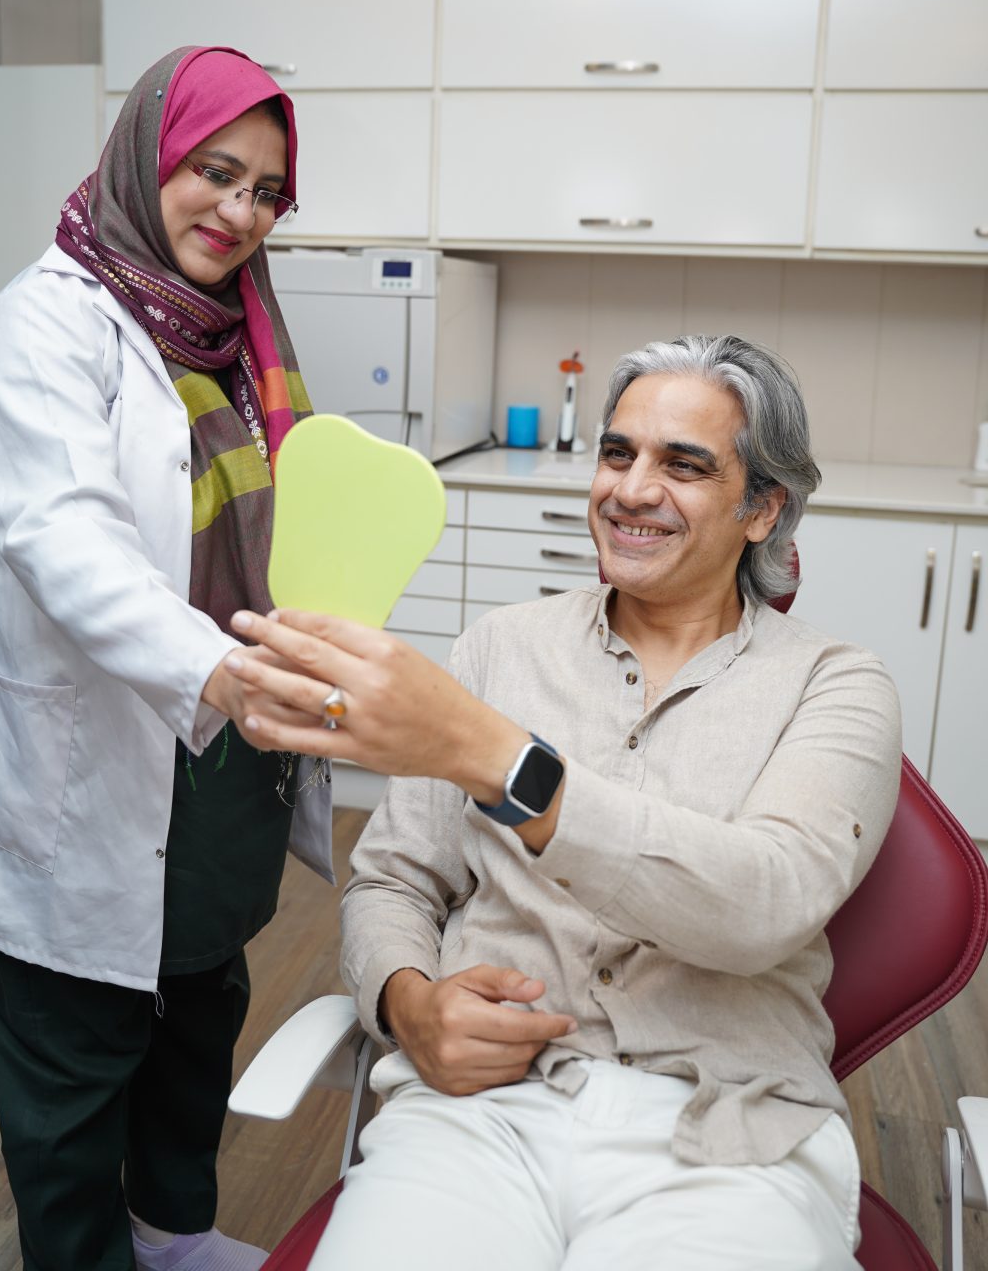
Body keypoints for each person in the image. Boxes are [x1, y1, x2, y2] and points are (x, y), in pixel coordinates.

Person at [224, 334, 903, 1271]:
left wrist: (500, 759)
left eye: (684, 465)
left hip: (729, 1136)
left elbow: (766, 902)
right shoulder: (501, 648)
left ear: (763, 509)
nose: (629, 490)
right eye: (618, 453)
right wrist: (408, 1003)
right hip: (480, 1114)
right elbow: (391, 882)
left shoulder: (837, 686)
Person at [0, 45, 333, 1271]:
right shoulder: (44, 322)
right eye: (214, 171)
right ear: (146, 155)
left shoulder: (238, 337)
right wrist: (224, 672)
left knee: (194, 1027)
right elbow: (59, 539)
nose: (238, 212)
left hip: (225, 768)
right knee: (74, 1073)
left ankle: (172, 1240)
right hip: (107, 763)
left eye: (266, 191)